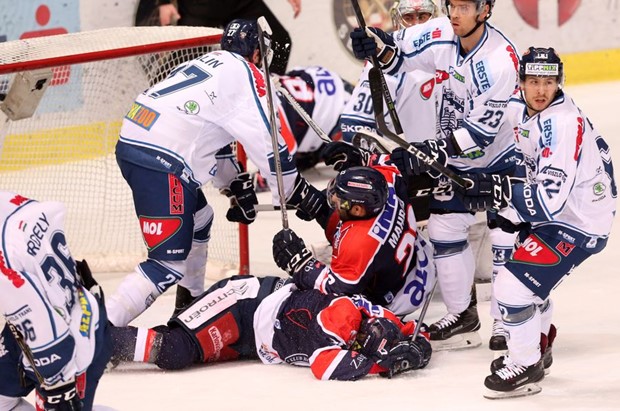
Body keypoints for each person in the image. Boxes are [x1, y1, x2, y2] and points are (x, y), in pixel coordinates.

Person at [107, 19, 326, 328]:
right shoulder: (249, 74)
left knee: (200, 217)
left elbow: (216, 132)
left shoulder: (209, 63)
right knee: (166, 264)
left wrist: (234, 184)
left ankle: (190, 300)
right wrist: (294, 191)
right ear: (256, 53)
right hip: (163, 157)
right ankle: (96, 334)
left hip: (133, 141)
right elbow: (268, 144)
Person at [349, 0, 520, 351]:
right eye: (452, 5)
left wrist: (429, 153)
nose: (456, 14)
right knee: (444, 227)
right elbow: (396, 55)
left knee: (504, 236)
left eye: (465, 8)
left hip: (504, 156)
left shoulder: (500, 61)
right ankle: (462, 313)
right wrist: (375, 45)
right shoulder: (442, 32)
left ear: (485, 10)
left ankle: (506, 321)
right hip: (457, 158)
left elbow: (480, 135)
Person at [451, 47, 617, 398]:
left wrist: (498, 190)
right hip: (565, 210)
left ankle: (526, 364)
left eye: (549, 82)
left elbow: (546, 202)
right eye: (533, 81)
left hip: (578, 220)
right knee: (527, 283)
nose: (541, 90)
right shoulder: (520, 106)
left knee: (512, 288)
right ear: (521, 83)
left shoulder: (560, 124)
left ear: (559, 83)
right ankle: (538, 344)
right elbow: (488, 139)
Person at [109, 275, 432, 380]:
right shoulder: (330, 332)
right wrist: (383, 365)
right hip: (244, 305)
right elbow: (325, 366)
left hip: (254, 338)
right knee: (176, 351)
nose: (359, 339)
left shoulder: (365, 313)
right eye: (360, 339)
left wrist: (416, 343)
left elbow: (407, 327)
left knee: (186, 349)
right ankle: (98, 338)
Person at [271, 151, 436, 317]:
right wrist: (358, 157)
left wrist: (301, 264)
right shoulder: (387, 179)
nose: (334, 198)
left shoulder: (359, 243)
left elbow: (337, 288)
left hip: (395, 299)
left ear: (358, 209)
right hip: (419, 261)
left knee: (307, 305)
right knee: (337, 216)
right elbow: (389, 161)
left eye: (340, 199)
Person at [0, 192, 112, 411]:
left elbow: (35, 314)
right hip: (57, 314)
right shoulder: (8, 203)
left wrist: (58, 384)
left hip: (72, 344)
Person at [340, 0, 440, 144]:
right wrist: (383, 157)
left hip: (444, 160)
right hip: (405, 162)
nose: (417, 25)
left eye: (423, 16)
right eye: (409, 17)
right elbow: (354, 126)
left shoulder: (446, 55)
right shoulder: (387, 62)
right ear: (396, 22)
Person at [155, 0, 301, 75]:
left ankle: (264, 100)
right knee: (182, 63)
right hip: (200, 6)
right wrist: (164, 2)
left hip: (239, 3)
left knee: (277, 42)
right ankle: (156, 108)